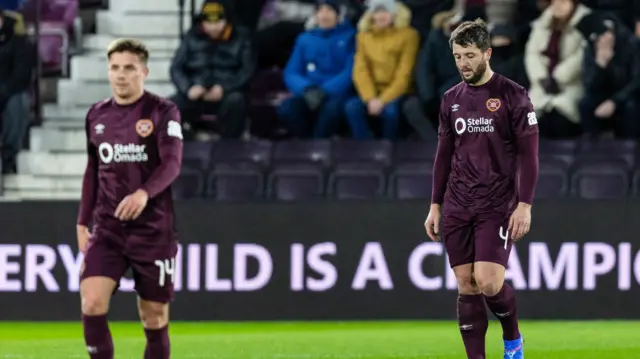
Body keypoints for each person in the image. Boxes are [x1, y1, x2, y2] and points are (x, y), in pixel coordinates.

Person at [424, 19, 539, 359]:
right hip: (458, 203)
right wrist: (435, 204)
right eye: (458, 56)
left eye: (471, 55)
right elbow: (443, 154)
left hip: (496, 203)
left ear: (488, 53)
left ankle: (512, 338)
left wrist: (524, 204)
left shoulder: (514, 95)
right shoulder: (451, 100)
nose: (464, 63)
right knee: (466, 284)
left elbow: (529, 156)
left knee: (488, 281)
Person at [78, 39, 183, 359]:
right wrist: (83, 220)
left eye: (129, 68)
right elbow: (93, 170)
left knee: (153, 316)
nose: (121, 75)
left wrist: (143, 193)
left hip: (153, 230)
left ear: (144, 72)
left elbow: (172, 164)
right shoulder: (96, 114)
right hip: (108, 228)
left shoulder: (164, 111)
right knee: (92, 301)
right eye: (114, 68)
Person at [170, 1, 256, 140]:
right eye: (209, 22)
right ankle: (193, 140)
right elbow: (176, 68)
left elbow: (247, 71)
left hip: (227, 93)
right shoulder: (191, 37)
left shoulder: (241, 38)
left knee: (237, 101)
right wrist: (188, 88)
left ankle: (229, 146)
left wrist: (225, 88)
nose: (213, 27)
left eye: (218, 22)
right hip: (195, 93)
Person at [277, 0, 356, 138]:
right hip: (309, 92)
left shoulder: (350, 37)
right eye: (321, 11)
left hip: (336, 94)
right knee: (287, 108)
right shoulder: (305, 39)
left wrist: (325, 91)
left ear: (338, 15)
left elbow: (350, 71)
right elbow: (291, 72)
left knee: (332, 110)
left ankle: (317, 144)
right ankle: (305, 144)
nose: (324, 15)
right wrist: (307, 89)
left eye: (329, 11)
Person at [345, 0, 419, 140]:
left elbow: (404, 73)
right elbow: (360, 70)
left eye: (385, 11)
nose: (381, 16)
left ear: (394, 14)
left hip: (396, 91)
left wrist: (382, 100)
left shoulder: (409, 35)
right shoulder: (363, 36)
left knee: (390, 112)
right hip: (372, 91)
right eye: (377, 12)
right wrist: (370, 98)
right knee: (352, 108)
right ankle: (365, 148)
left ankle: (388, 147)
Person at [524, 0, 590, 138]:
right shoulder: (542, 23)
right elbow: (532, 54)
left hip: (572, 84)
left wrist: (557, 78)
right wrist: (541, 77)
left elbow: (582, 55)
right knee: (532, 121)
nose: (558, 6)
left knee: (560, 119)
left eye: (563, 2)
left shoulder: (586, 22)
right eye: (555, 2)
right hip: (542, 85)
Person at [577, 13, 640, 139]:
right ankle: (592, 149)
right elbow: (589, 85)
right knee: (585, 104)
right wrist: (600, 65)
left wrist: (614, 102)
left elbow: (636, 81)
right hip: (604, 94)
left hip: (627, 95)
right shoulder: (591, 49)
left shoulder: (631, 44)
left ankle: (629, 150)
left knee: (631, 106)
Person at [0, 8, 33, 174]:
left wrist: (3, 93)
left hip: (9, 93)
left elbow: (21, 76)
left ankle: (9, 154)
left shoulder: (19, 42)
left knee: (18, 101)